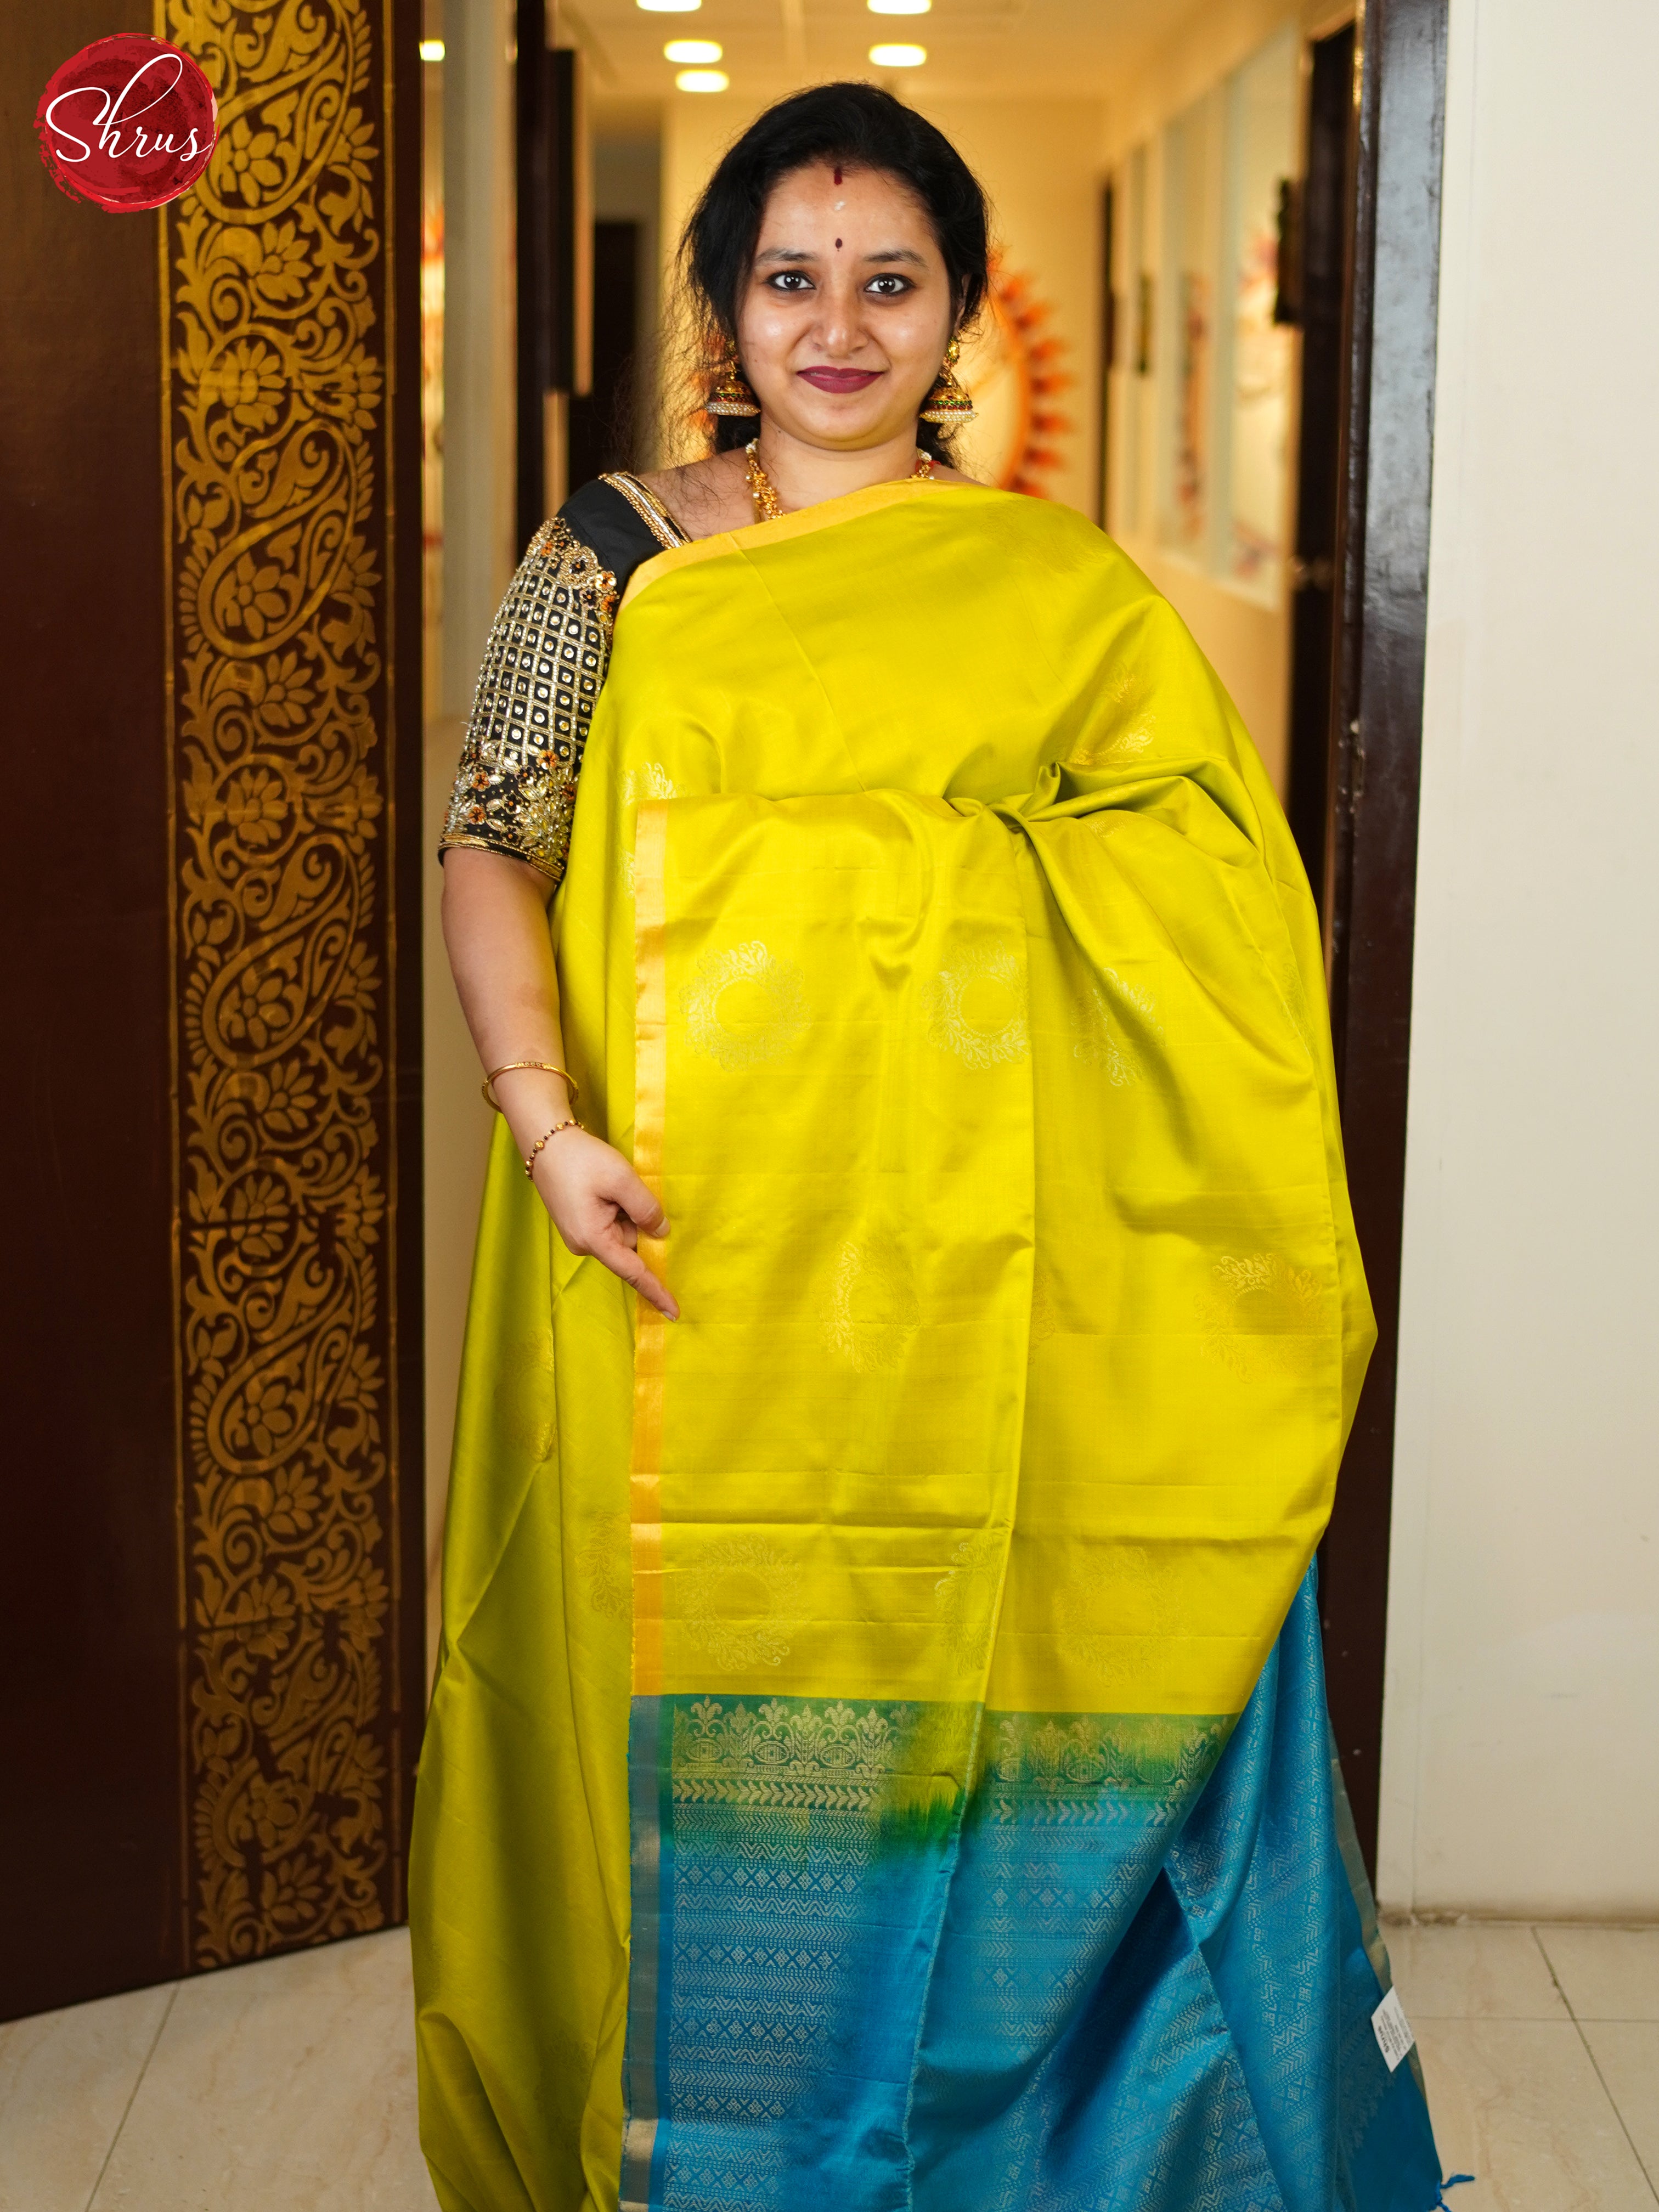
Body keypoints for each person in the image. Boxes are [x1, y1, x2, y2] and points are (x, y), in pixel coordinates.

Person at [411, 80, 1448, 2212]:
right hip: (669, 1274)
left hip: (969, 1295)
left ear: (960, 311)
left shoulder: (1051, 597)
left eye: (892, 280)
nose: (839, 323)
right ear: (723, 306)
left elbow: (1208, 909)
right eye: (792, 277)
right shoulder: (603, 551)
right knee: (676, 1727)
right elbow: (492, 845)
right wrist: (541, 1125)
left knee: (976, 1704)